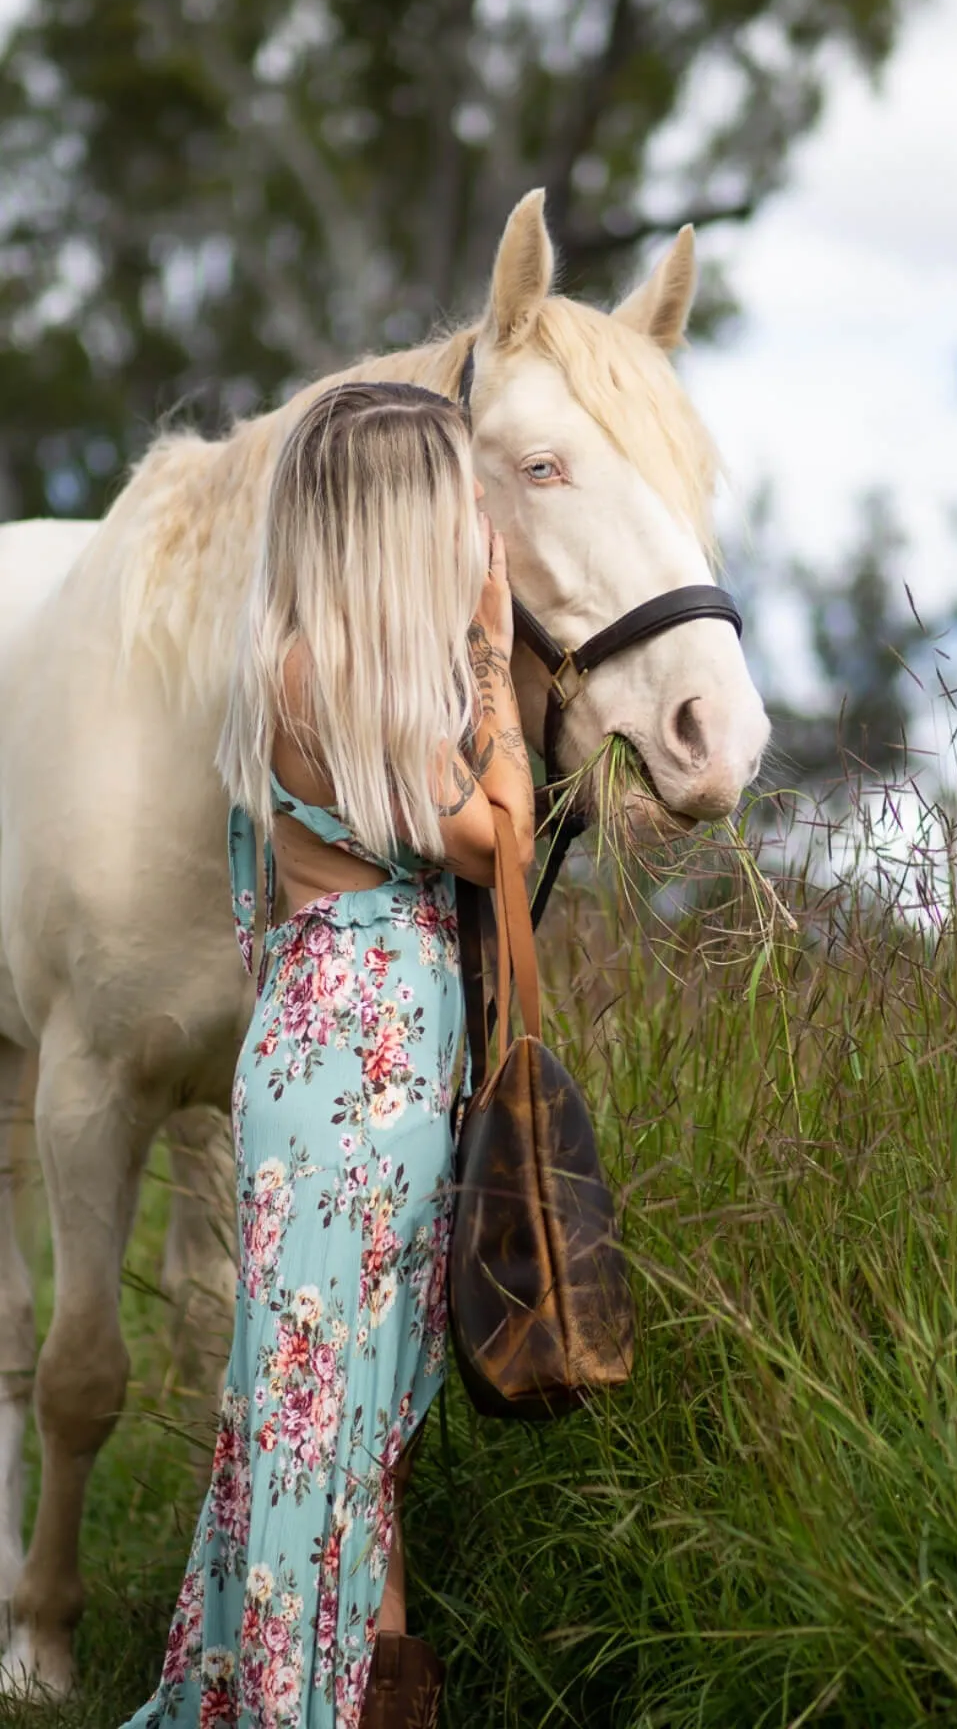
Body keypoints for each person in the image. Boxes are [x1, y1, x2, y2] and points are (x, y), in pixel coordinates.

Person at [120, 381, 535, 1729]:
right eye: (456, 506)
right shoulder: (345, 674)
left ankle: (345, 1699)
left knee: (340, 1435)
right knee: (321, 1444)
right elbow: (503, 839)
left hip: (337, 1058)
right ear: (395, 525)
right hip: (357, 1075)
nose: (478, 532)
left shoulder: (298, 660)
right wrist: (490, 659)